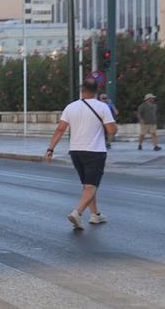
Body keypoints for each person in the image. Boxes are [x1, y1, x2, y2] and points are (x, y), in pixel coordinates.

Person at [45, 79, 117, 230]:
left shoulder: (70, 107)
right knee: (91, 186)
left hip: (76, 151)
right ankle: (77, 213)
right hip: (95, 151)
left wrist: (50, 149)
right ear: (96, 91)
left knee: (87, 185)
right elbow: (111, 131)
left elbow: (60, 129)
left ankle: (95, 215)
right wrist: (113, 127)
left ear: (82, 90)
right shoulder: (103, 107)